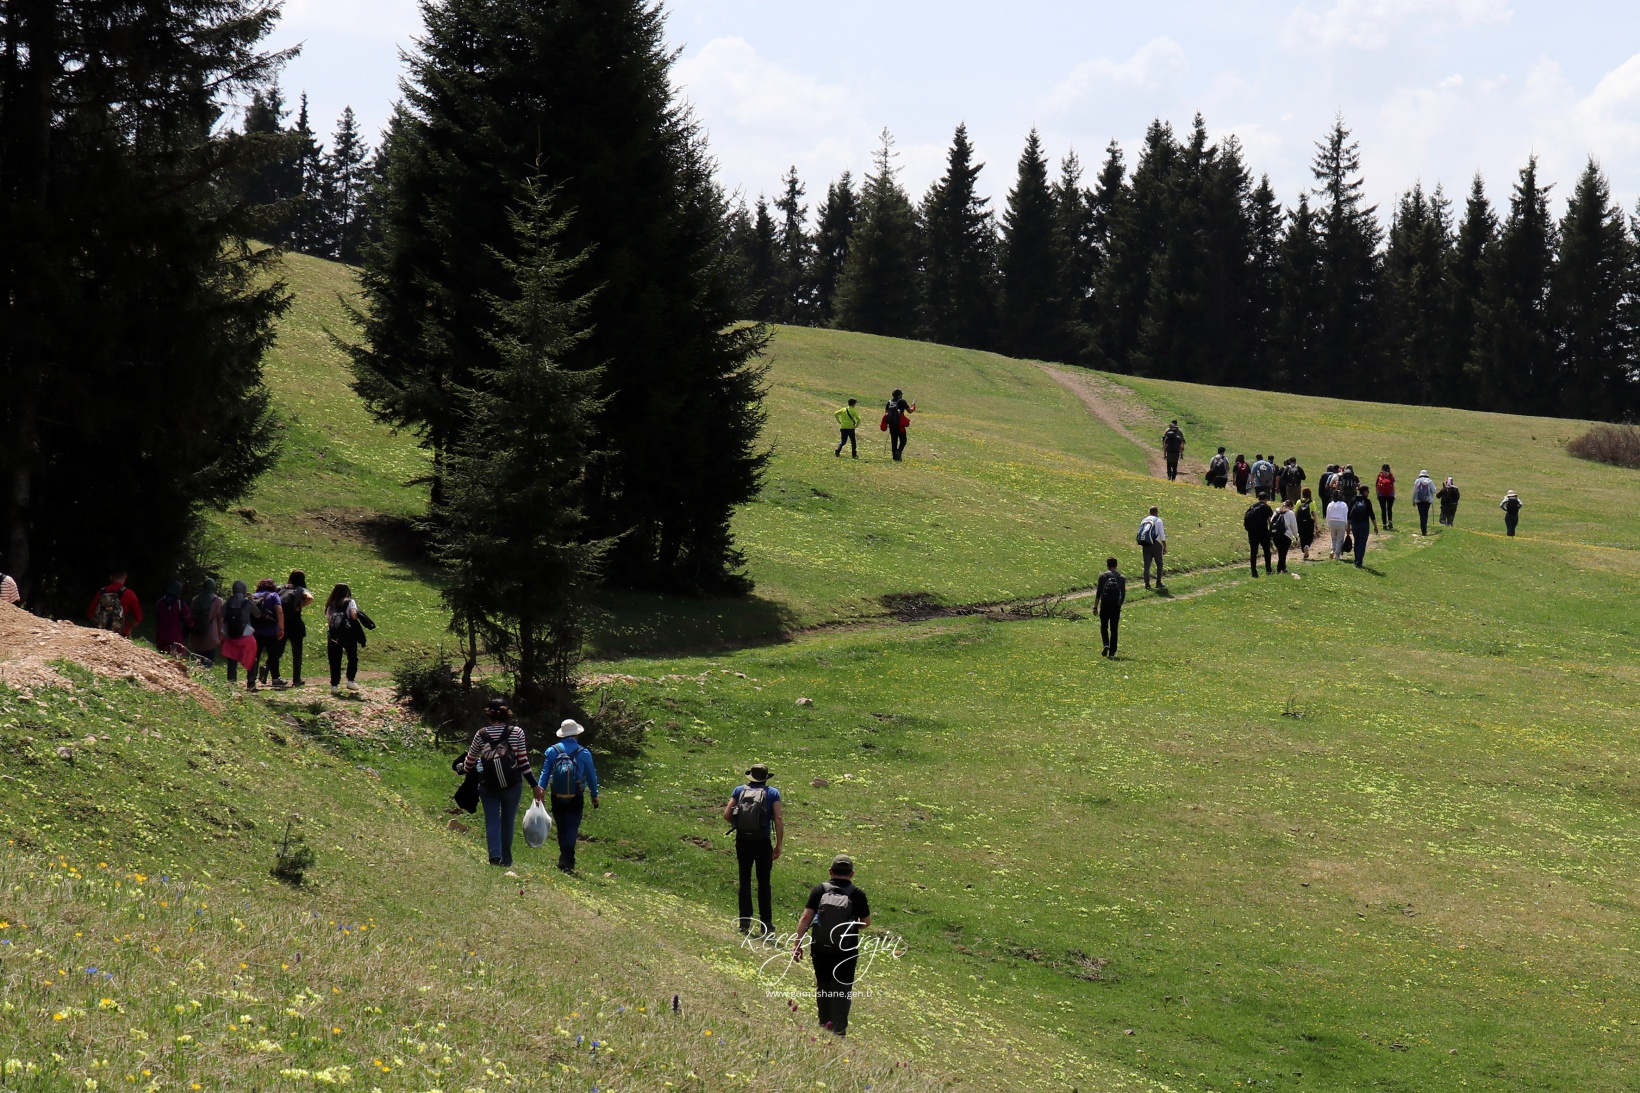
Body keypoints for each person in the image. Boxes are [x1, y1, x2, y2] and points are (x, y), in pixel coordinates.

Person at [792, 854, 871, 1038]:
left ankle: (824, 1024)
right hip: (847, 950)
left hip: (820, 948)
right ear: (852, 873)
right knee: (843, 989)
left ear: (830, 871)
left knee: (824, 986)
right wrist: (850, 925)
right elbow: (866, 922)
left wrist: (797, 944)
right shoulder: (857, 894)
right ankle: (839, 1030)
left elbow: (805, 918)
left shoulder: (820, 890)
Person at [462, 698, 534, 867]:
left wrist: (463, 767)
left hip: (488, 786)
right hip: (512, 785)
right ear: (507, 713)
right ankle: (506, 861)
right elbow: (523, 762)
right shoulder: (517, 732)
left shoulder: (481, 734)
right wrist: (534, 784)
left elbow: (469, 762)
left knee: (492, 820)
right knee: (508, 821)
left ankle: (495, 856)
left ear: (488, 714)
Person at [724, 763, 784, 938]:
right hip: (762, 842)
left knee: (745, 880)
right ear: (765, 777)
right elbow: (778, 818)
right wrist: (779, 844)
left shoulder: (738, 790)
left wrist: (741, 825)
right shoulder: (772, 793)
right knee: (764, 882)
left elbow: (727, 815)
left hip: (743, 841)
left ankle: (744, 922)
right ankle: (766, 923)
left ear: (750, 776)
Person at [537, 719, 599, 872]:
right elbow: (591, 775)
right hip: (576, 793)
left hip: (556, 793)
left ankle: (565, 857)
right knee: (572, 826)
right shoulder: (583, 752)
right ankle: (566, 858)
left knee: (561, 826)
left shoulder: (552, 751)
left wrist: (540, 790)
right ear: (577, 734)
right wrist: (594, 794)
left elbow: (545, 773)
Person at [268, 571, 314, 687]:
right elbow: (310, 598)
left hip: (281, 623)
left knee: (278, 651)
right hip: (295, 624)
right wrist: (299, 606)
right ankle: (296, 680)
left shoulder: (279, 588)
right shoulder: (300, 589)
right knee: (297, 652)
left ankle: (268, 669)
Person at [245, 578, 285, 692]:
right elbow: (279, 610)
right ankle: (276, 678)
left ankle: (251, 680)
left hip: (255, 631)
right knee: (273, 655)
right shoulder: (273, 596)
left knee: (254, 656)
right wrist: (281, 628)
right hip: (271, 631)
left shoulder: (254, 596)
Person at [323, 583, 362, 693]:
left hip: (334, 634)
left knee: (334, 660)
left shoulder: (330, 604)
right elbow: (353, 615)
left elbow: (330, 621)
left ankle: (334, 685)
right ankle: (350, 680)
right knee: (352, 657)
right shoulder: (350, 601)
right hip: (349, 634)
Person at [219, 580, 259, 683]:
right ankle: (251, 682)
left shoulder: (227, 603)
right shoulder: (247, 602)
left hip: (230, 637)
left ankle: (231, 683)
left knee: (231, 661)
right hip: (246, 636)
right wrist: (251, 600)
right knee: (251, 657)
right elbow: (258, 614)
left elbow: (221, 615)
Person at [88, 571, 142, 636]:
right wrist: (129, 628)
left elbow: (90, 613)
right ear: (125, 577)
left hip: (100, 632)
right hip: (121, 632)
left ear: (111, 577)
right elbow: (138, 618)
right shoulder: (129, 593)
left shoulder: (101, 592)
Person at [1094, 556, 1126, 658]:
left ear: (1107, 565)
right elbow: (1123, 594)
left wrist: (1095, 606)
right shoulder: (1121, 578)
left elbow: (1098, 593)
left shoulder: (1102, 576)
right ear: (1116, 565)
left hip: (1105, 605)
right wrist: (1119, 605)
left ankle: (1106, 644)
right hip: (1116, 606)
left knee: (1104, 626)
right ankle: (1112, 652)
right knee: (1114, 628)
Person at [153, 580, 195, 658]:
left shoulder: (159, 603)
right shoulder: (181, 604)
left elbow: (157, 618)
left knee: (160, 660)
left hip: (161, 637)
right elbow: (190, 623)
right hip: (176, 639)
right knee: (176, 663)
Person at [187, 579, 224, 666]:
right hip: (211, 636)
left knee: (197, 662)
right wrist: (220, 636)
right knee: (208, 662)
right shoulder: (218, 601)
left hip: (197, 634)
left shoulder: (195, 599)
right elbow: (220, 621)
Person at [1244, 493, 1274, 577]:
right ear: (1266, 499)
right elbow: (1270, 521)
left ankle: (1254, 572)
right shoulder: (1266, 507)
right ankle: (1268, 569)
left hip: (1252, 532)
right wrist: (1272, 532)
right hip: (1263, 531)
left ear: (1258, 498)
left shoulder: (1252, 507)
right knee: (1266, 551)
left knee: (1253, 552)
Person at [1137, 506, 1166, 591]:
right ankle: (1158, 582)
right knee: (1159, 564)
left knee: (1147, 565)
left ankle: (1147, 584)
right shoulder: (1158, 520)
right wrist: (1164, 546)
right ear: (1157, 512)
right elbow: (1162, 535)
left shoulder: (1144, 520)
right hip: (1156, 544)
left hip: (1145, 544)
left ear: (1149, 512)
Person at [1348, 486, 1378, 568]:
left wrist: (1348, 526)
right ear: (1364, 492)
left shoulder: (1354, 500)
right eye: (1367, 491)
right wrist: (1375, 526)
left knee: (1356, 542)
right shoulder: (1367, 502)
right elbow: (1372, 515)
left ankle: (1356, 560)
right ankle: (1359, 562)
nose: (1368, 493)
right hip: (1364, 524)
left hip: (1354, 524)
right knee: (1362, 543)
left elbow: (1349, 515)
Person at [884, 389, 914, 462]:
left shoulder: (889, 402)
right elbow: (909, 411)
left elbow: (886, 413)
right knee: (903, 440)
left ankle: (895, 457)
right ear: (899, 395)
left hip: (891, 424)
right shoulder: (902, 401)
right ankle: (899, 452)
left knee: (894, 440)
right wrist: (913, 406)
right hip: (900, 424)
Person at [1272, 500, 1299, 574]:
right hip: (1286, 535)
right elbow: (1294, 526)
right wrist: (1296, 535)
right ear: (1290, 506)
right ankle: (1281, 568)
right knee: (1283, 553)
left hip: (1276, 535)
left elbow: (1271, 522)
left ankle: (1282, 568)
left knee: (1281, 552)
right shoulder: (1290, 513)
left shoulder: (1276, 512)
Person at [1325, 494, 1350, 560]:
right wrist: (1347, 525)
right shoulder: (1343, 504)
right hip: (1341, 522)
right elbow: (1345, 514)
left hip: (1332, 521)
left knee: (1333, 538)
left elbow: (1327, 514)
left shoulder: (1330, 504)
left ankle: (1332, 550)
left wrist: (1328, 524)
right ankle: (1337, 555)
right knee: (1340, 539)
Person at [1410, 470, 1436, 535]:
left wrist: (1413, 500)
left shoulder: (1417, 481)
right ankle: (1425, 530)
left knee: (1421, 515)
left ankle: (1423, 530)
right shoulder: (1429, 481)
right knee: (1425, 514)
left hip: (1419, 500)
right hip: (1427, 500)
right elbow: (1434, 490)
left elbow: (1414, 491)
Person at [1295, 488, 1317, 562]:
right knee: (1310, 536)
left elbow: (1295, 513)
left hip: (1300, 522)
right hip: (1309, 522)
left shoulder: (1299, 502)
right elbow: (1314, 514)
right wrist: (1316, 525)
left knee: (1302, 536)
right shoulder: (1312, 502)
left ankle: (1303, 549)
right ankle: (1307, 546)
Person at [1375, 465, 1396, 529]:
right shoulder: (1390, 475)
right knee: (1389, 509)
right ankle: (1390, 521)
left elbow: (1377, 486)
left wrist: (1377, 494)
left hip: (1381, 495)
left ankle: (1384, 524)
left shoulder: (1380, 475)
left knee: (1383, 509)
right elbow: (1393, 485)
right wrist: (1394, 494)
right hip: (1390, 494)